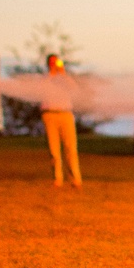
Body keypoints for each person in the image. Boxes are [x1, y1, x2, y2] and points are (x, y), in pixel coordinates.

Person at [40, 54, 82, 188]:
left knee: (71, 148)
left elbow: (74, 89)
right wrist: (52, 74)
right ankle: (57, 179)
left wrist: (62, 74)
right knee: (53, 150)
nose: (54, 65)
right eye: (52, 63)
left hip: (66, 114)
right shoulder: (45, 79)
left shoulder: (65, 79)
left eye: (56, 62)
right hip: (50, 114)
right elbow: (41, 89)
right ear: (48, 64)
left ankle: (75, 179)